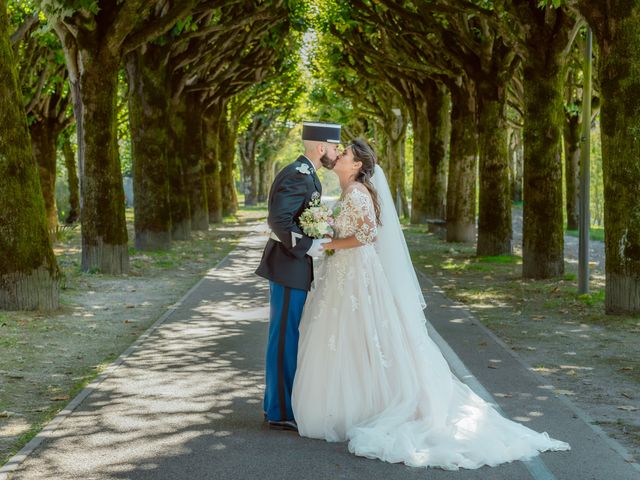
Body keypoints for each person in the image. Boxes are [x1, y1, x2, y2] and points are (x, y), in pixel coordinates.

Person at [291, 138, 570, 469]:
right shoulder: (348, 192)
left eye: (346, 154)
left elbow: (368, 236)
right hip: (343, 271)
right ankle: (348, 403)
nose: (338, 156)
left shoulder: (357, 193)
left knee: (362, 334)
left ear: (357, 166)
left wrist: (331, 242)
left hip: (356, 273)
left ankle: (367, 405)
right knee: (348, 337)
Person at [255, 121, 340, 431]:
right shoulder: (296, 174)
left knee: (289, 335)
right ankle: (278, 411)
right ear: (320, 147)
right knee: (284, 338)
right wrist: (308, 246)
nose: (336, 153)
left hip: (293, 265)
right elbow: (278, 220)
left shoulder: (307, 174)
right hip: (288, 265)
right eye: (333, 148)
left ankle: (278, 406)